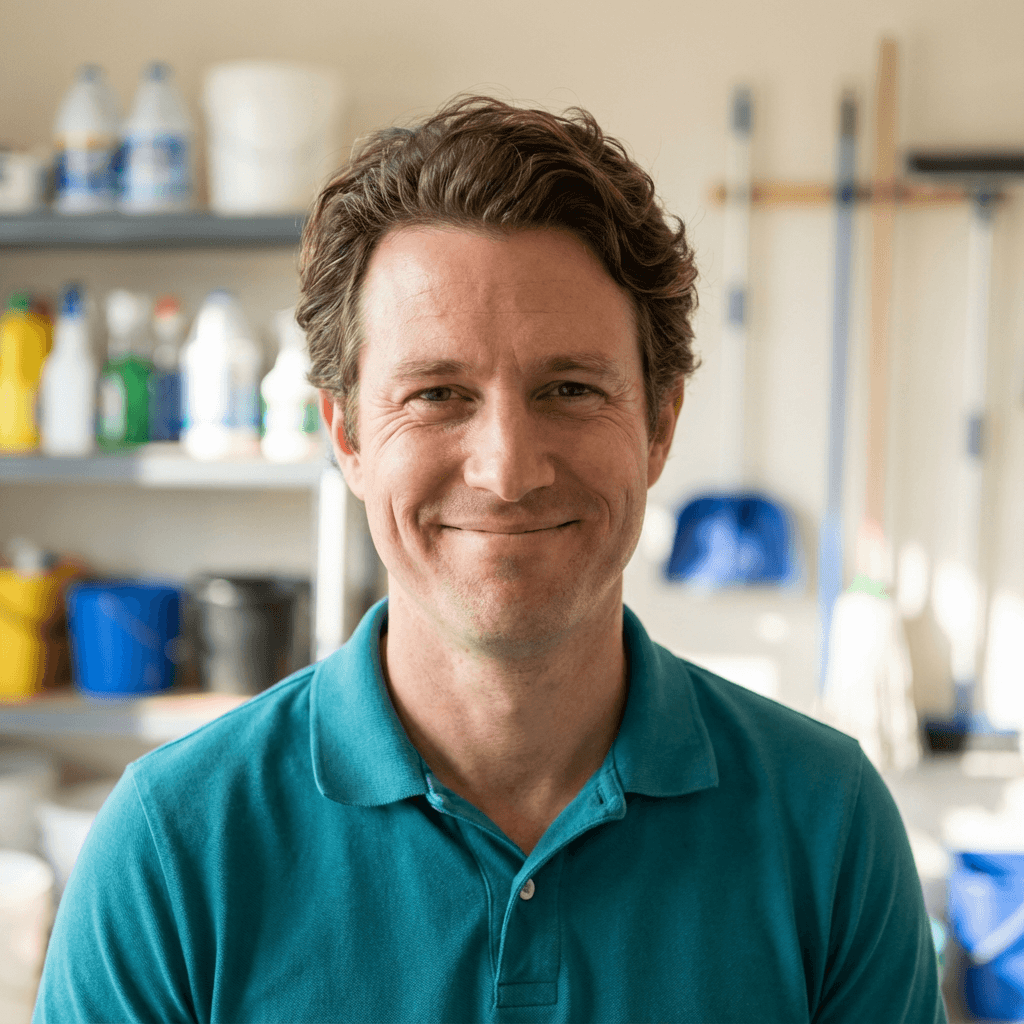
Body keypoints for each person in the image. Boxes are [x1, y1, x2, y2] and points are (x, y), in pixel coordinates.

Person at [34, 96, 946, 1024]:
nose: (508, 471)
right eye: (437, 394)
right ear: (346, 436)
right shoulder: (174, 847)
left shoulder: (828, 824)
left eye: (571, 389)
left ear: (659, 427)